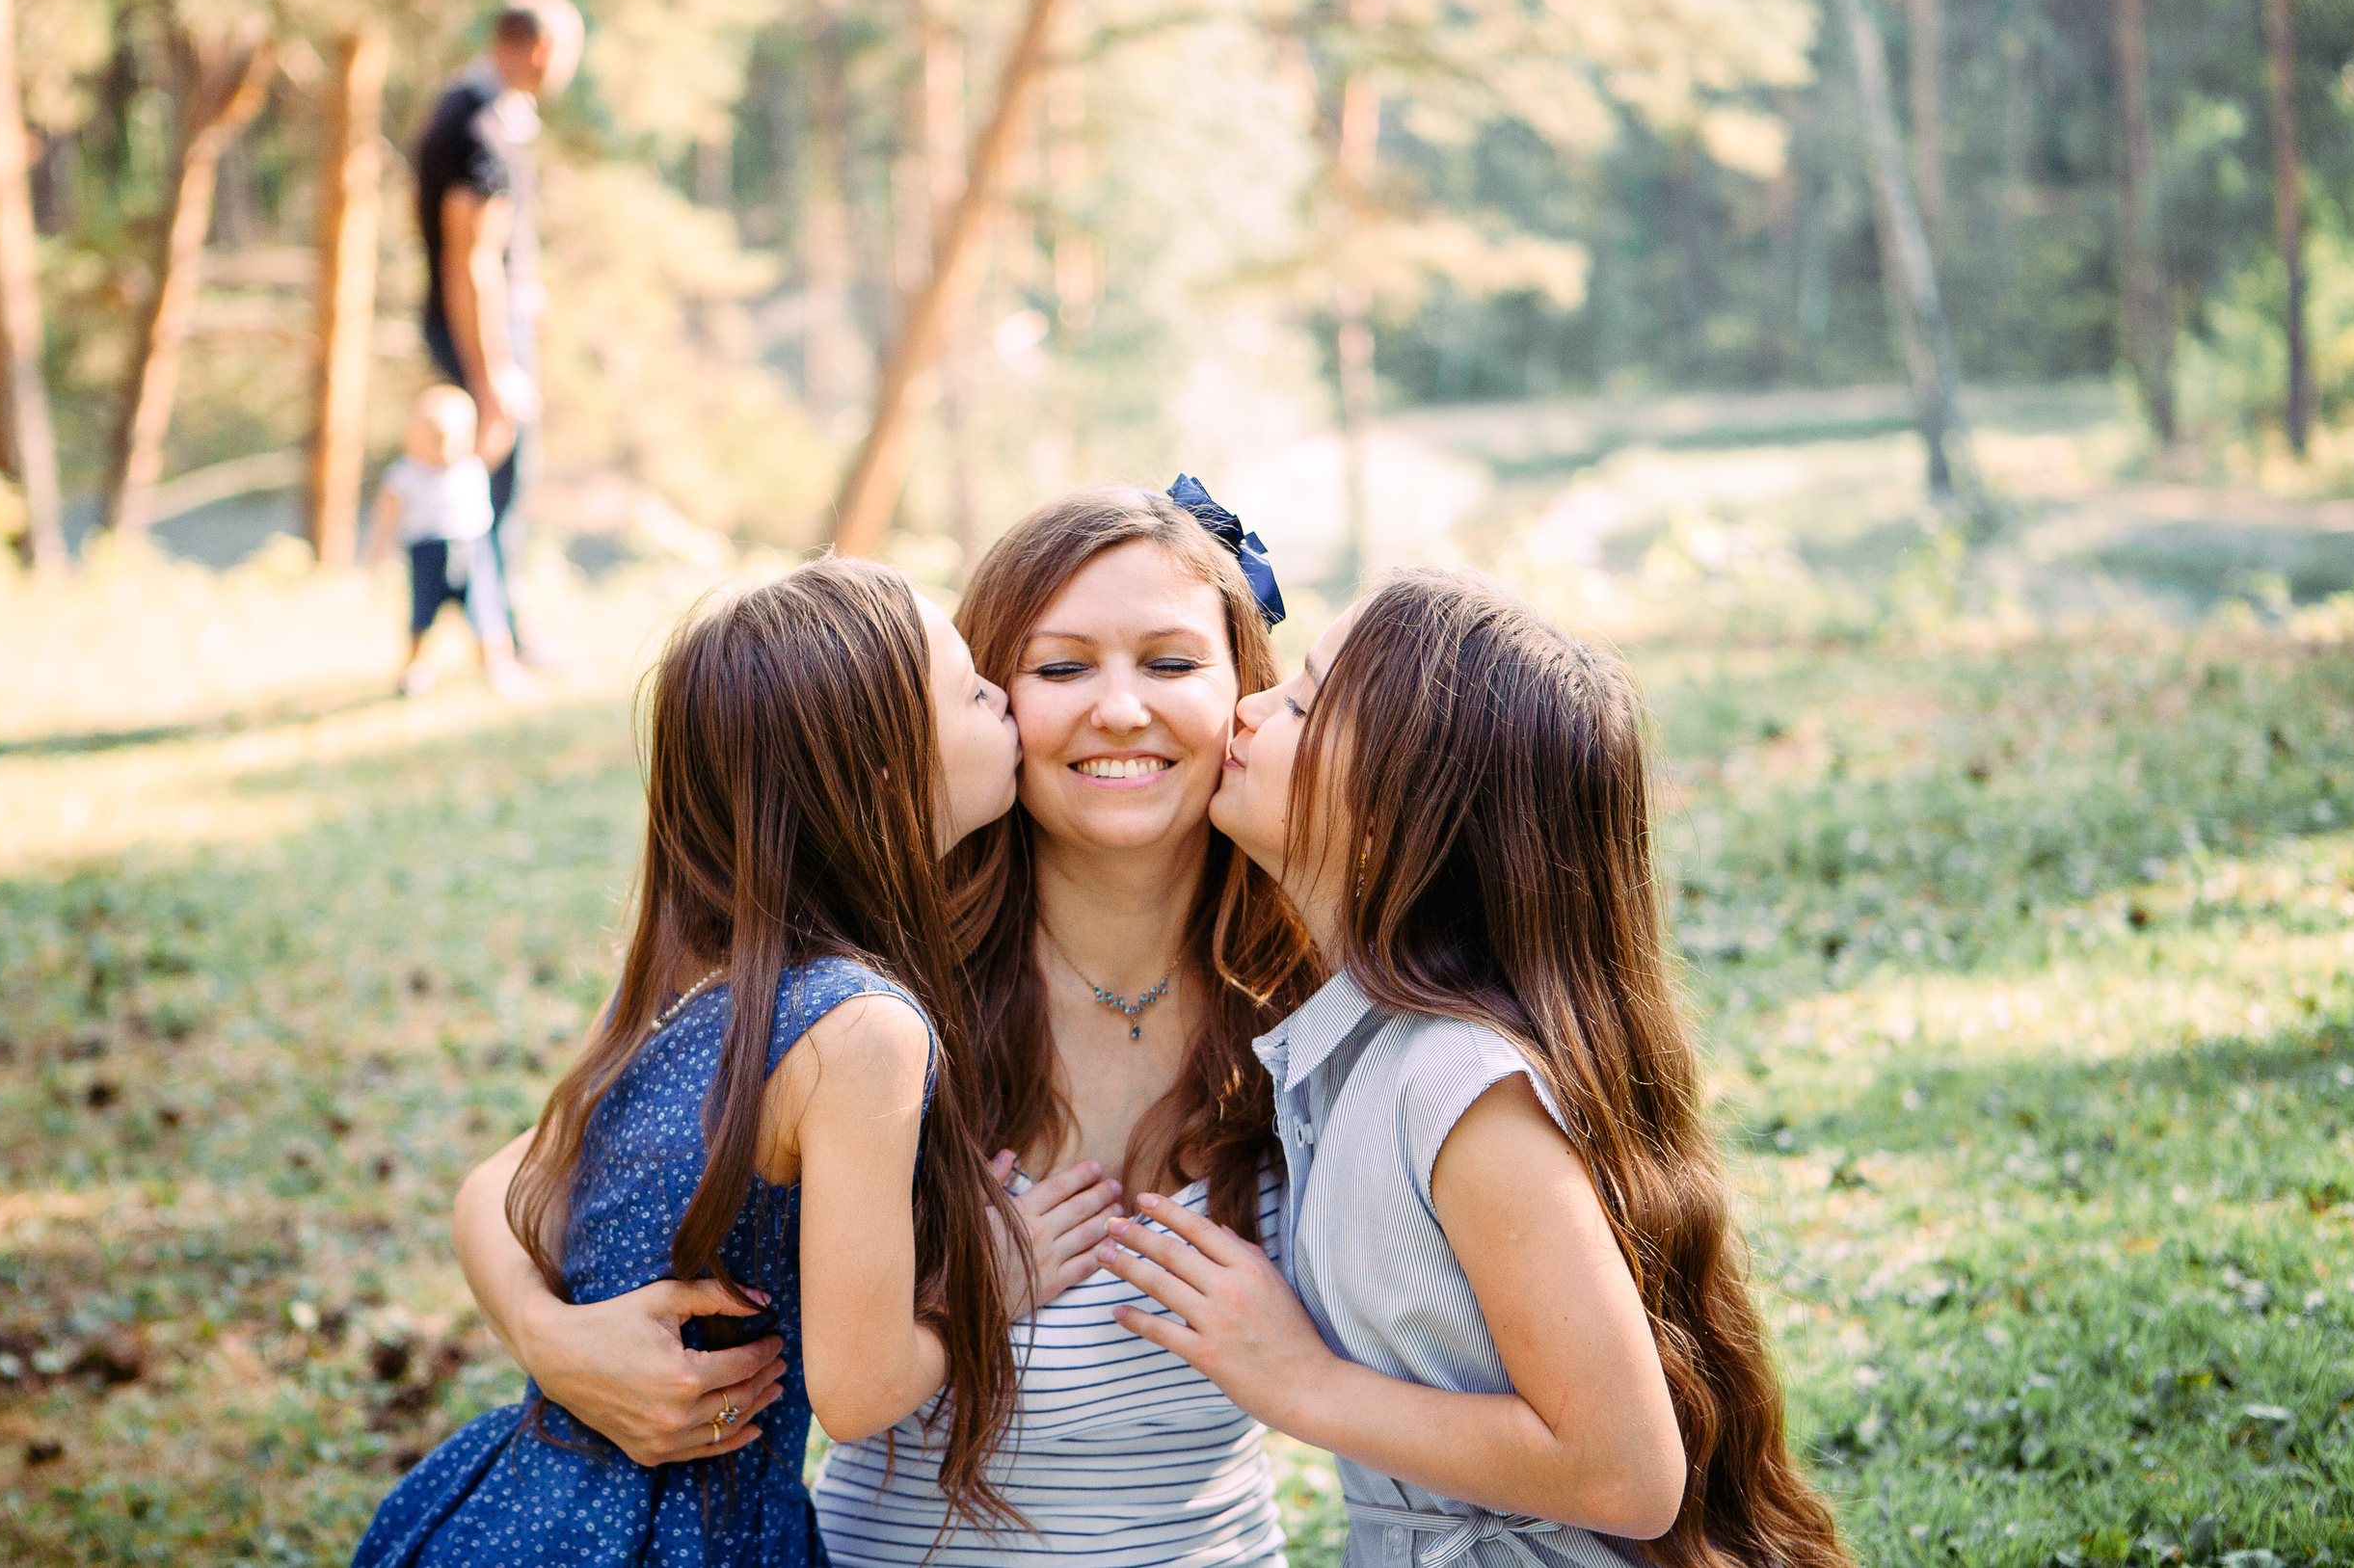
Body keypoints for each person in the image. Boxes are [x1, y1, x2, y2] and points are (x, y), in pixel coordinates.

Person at [448, 484, 1325, 1565]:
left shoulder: (1307, 989)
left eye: (1171, 663)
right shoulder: (868, 985)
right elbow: (519, 1178)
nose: (1118, 709)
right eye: (1058, 668)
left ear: (1245, 693)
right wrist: (554, 1342)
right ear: (978, 703)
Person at [1099, 570, 1855, 1568]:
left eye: (1303, 701)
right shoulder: (1362, 1042)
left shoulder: (1453, 1082)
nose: (1246, 706)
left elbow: (1625, 1473)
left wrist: (1299, 1382)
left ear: (1400, 807)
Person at [353, 558, 1029, 1567]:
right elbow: (858, 1387)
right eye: (975, 689)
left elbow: (515, 1187)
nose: (1006, 698)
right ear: (887, 774)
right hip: (680, 1536)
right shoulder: (865, 1032)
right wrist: (1005, 1275)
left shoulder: (702, 966)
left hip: (514, 1499)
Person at [414, 0, 580, 657]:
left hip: (477, 324)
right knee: (493, 493)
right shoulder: (480, 123)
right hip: (478, 334)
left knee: (482, 489)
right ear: (540, 48)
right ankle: (498, 636)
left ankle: (485, 627)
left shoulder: (472, 106)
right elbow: (469, 260)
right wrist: (494, 377)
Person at [365, 385, 527, 700]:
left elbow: (498, 441)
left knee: (487, 612)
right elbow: (387, 512)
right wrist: (378, 550)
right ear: (410, 435)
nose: (441, 448)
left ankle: (499, 666)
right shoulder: (404, 474)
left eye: (450, 439)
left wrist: (508, 416)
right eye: (432, 437)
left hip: (473, 550)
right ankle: (414, 669)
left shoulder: (471, 467)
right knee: (421, 617)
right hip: (426, 553)